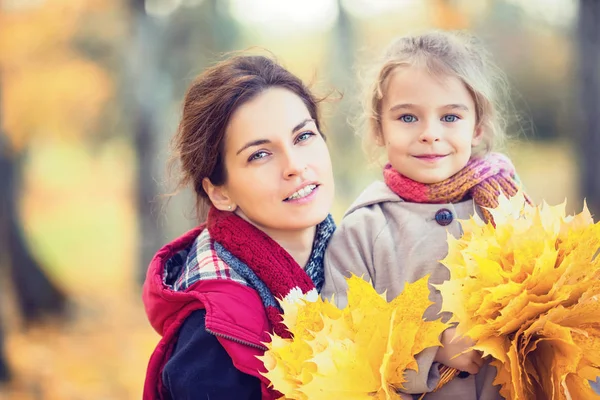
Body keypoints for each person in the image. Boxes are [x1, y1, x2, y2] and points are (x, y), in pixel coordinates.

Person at [322, 30, 526, 399]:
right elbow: (349, 342)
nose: (430, 134)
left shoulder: (509, 208)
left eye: (450, 116)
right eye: (407, 117)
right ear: (379, 128)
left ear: (477, 127)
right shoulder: (363, 230)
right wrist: (433, 349)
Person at [142, 54, 336, 400]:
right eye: (260, 154)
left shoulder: (363, 256)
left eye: (303, 136)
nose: (295, 166)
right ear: (219, 192)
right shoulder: (210, 336)